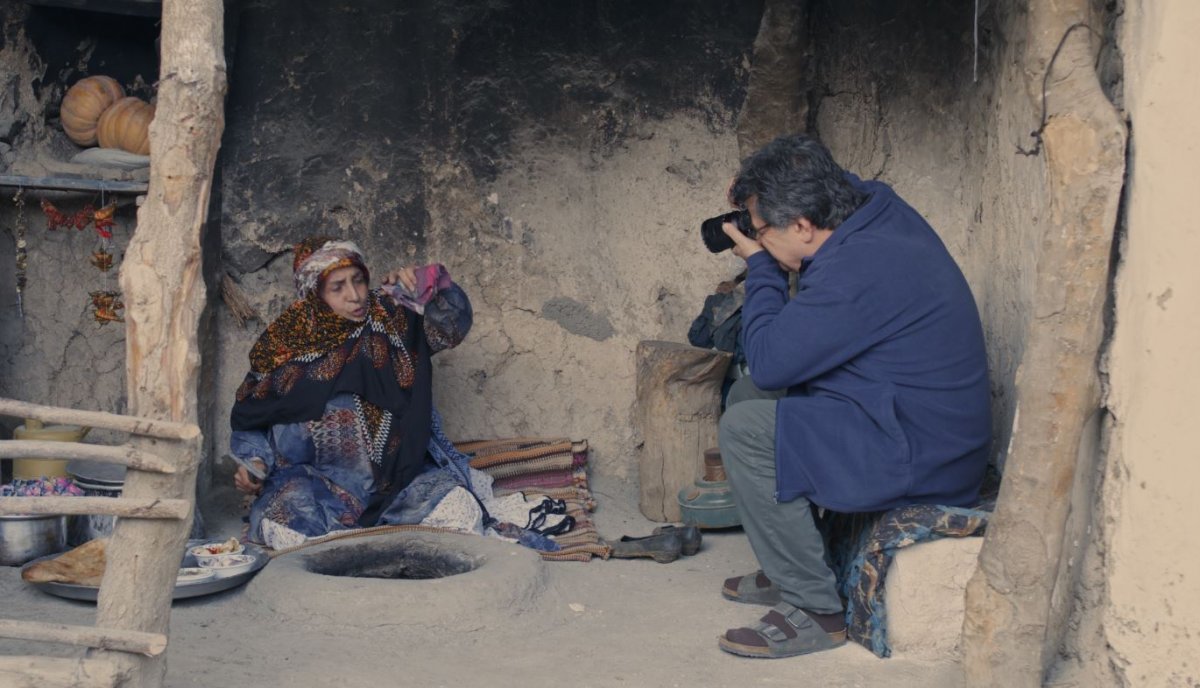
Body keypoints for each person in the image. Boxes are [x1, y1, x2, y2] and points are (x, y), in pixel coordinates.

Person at [712, 134, 991, 658]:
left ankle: (815, 610)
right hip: (904, 411)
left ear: (802, 225)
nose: (756, 235)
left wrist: (763, 268)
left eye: (762, 227)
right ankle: (793, 561)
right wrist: (755, 188)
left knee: (747, 428)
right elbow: (833, 177)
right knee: (746, 397)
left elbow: (771, 364)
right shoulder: (873, 208)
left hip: (921, 452)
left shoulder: (857, 268)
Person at [228, 236, 480, 549]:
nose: (355, 296)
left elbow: (452, 327)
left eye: (358, 280)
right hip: (315, 484)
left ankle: (358, 547)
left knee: (460, 510)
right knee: (284, 524)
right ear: (314, 293)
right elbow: (253, 416)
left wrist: (430, 286)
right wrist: (254, 462)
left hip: (398, 482)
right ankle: (364, 549)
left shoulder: (392, 316)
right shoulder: (283, 345)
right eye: (338, 287)